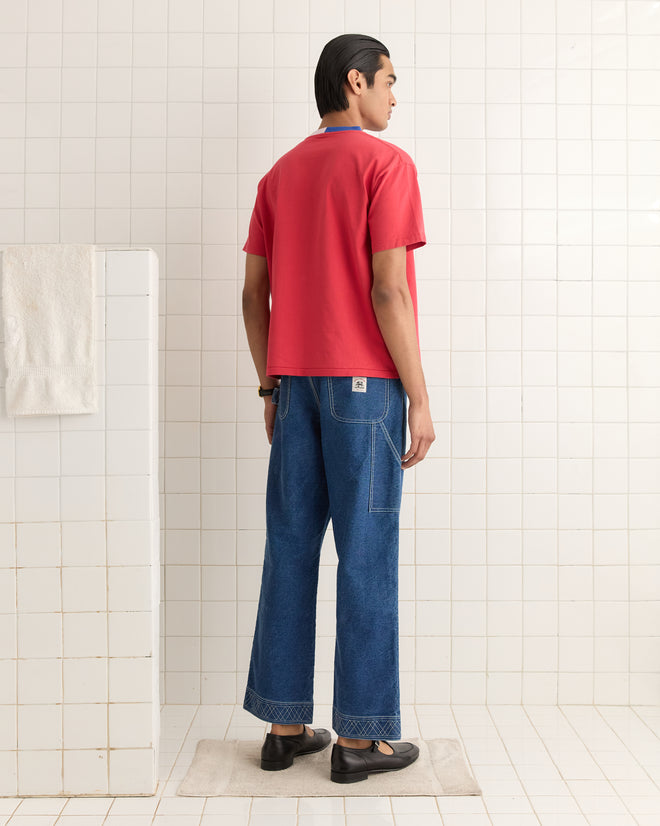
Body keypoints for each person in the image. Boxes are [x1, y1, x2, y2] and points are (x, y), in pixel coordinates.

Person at [240, 33, 435, 784]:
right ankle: (363, 740)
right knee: (367, 557)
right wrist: (418, 396)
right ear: (354, 83)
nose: (394, 94)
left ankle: (286, 726)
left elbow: (253, 295)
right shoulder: (387, 165)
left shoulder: (279, 175)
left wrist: (270, 385)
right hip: (365, 389)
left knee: (289, 546)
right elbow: (389, 291)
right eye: (388, 80)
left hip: (294, 389)